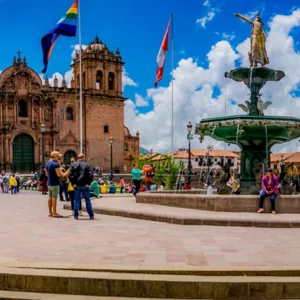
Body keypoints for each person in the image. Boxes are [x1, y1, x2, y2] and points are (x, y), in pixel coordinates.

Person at [68, 153, 94, 220]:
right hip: (85, 185)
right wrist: (88, 183)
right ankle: (91, 215)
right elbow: (90, 175)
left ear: (78, 158)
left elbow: (70, 175)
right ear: (83, 157)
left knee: (76, 200)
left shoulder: (73, 165)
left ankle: (76, 215)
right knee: (87, 200)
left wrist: (73, 183)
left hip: (77, 185)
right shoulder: (87, 165)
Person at [45, 151, 67, 218]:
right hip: (55, 183)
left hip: (49, 183)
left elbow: (47, 174)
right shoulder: (56, 164)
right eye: (58, 157)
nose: (59, 158)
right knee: (54, 198)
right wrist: (66, 172)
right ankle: (54, 213)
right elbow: (59, 175)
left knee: (50, 198)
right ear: (55, 157)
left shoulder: (48, 163)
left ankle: (50, 212)